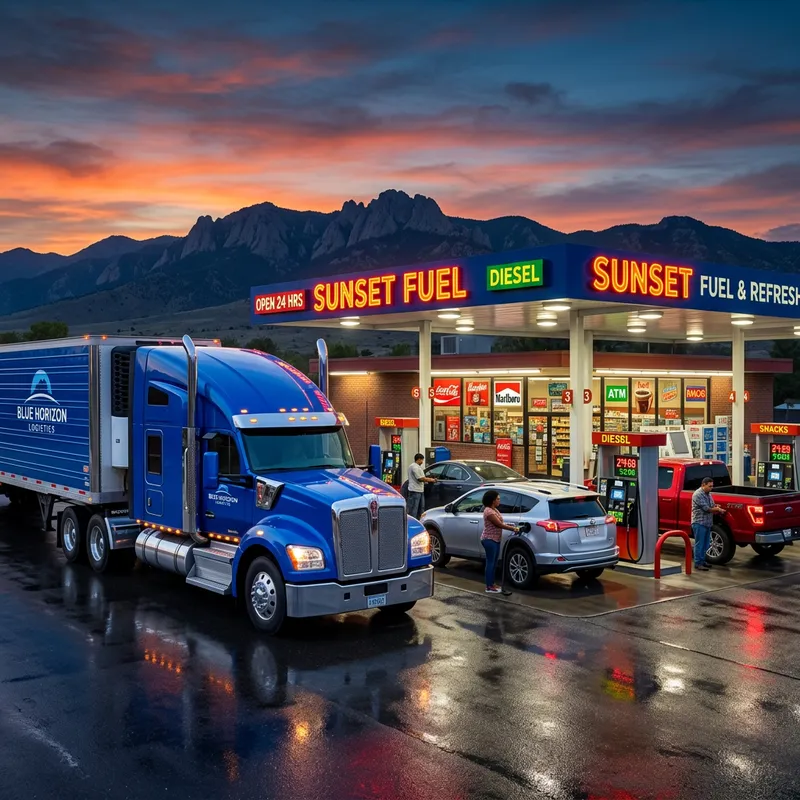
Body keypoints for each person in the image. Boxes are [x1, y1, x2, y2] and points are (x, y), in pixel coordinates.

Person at [481, 489, 519, 594]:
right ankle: (489, 586)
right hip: (489, 539)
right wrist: (512, 529)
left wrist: (513, 526)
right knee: (490, 563)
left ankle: (492, 584)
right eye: (497, 499)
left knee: (494, 563)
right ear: (492, 500)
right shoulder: (488, 511)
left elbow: (501, 522)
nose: (499, 500)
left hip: (496, 539)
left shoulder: (495, 510)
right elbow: (499, 524)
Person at [692, 476, 723, 571]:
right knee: (699, 544)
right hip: (699, 522)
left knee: (706, 544)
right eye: (709, 486)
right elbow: (707, 508)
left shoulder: (708, 494)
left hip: (707, 523)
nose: (711, 488)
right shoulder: (698, 494)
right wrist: (717, 509)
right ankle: (698, 563)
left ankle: (702, 560)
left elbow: (711, 505)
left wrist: (716, 506)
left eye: (712, 486)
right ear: (703, 485)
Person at [407, 453, 436, 519]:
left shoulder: (417, 467)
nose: (422, 462)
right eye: (422, 460)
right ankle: (413, 521)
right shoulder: (414, 467)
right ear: (419, 459)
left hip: (419, 490)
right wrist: (431, 480)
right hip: (414, 490)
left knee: (421, 508)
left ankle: (420, 520)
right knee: (414, 509)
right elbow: (420, 478)